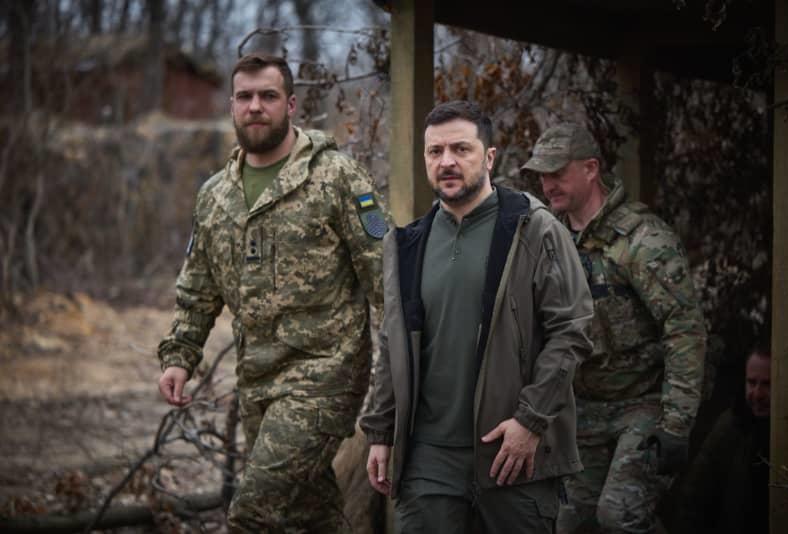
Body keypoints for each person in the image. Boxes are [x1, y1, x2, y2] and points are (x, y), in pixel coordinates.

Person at [155, 53, 388, 533]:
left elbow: (387, 278)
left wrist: (400, 378)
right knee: (312, 512)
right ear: (232, 106)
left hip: (325, 379)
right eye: (245, 97)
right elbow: (198, 287)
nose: (255, 106)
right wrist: (180, 355)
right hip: (258, 380)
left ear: (292, 104)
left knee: (251, 514)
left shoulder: (336, 178)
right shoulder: (215, 195)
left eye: (268, 96)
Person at [359, 101, 594, 533]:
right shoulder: (406, 244)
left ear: (488, 157)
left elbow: (572, 331)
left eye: (461, 149)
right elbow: (394, 344)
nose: (446, 161)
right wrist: (379, 430)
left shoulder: (533, 227)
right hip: (429, 460)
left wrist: (530, 420)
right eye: (435, 152)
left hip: (512, 453)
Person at [522, 122, 707, 533]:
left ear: (590, 169)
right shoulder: (550, 241)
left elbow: (684, 329)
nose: (548, 184)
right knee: (568, 522)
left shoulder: (642, 240)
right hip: (582, 411)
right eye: (543, 175)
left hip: (642, 405)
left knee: (619, 516)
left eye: (558, 172)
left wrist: (676, 423)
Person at [674, 347, 771, 534]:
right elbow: (694, 500)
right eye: (752, 383)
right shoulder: (731, 427)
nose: (757, 394)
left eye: (767, 384)